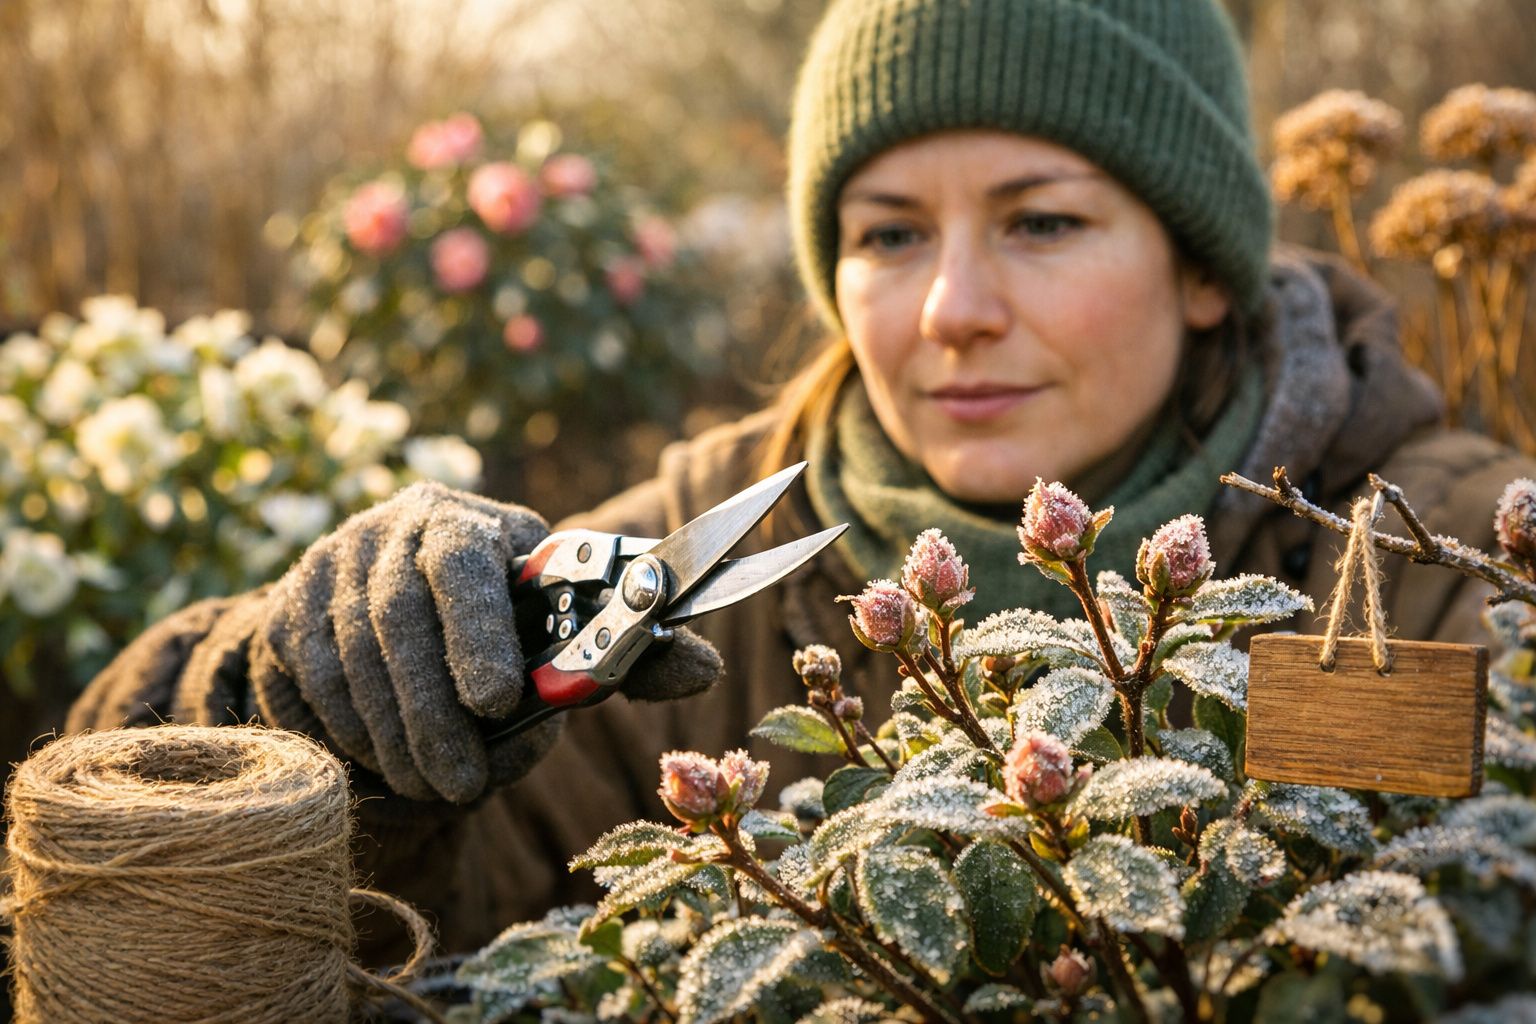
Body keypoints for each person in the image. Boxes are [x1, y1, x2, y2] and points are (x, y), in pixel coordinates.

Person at [67, 0, 1534, 961]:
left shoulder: (1432, 563)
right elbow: (175, 902)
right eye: (889, 234)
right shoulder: (699, 592)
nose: (951, 306)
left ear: (1203, 269)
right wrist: (290, 706)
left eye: (1041, 221)